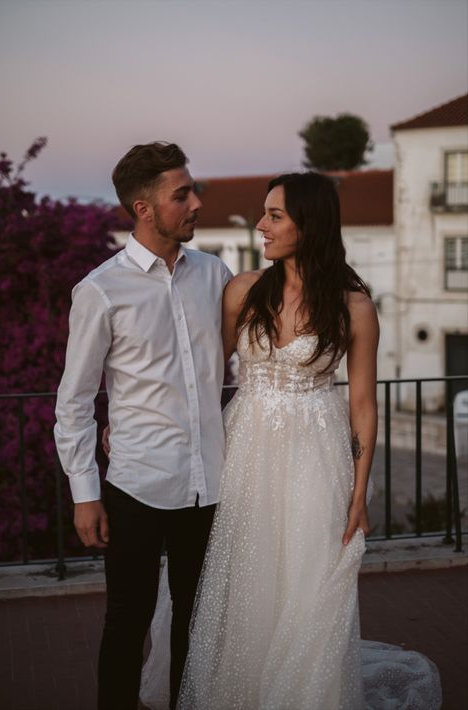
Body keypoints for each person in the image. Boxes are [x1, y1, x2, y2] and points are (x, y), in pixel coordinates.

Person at [140, 171, 441, 709]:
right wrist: (142, 420)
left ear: (311, 223)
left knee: (308, 588)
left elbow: (364, 406)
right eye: (264, 214)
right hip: (244, 451)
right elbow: (202, 380)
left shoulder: (355, 308)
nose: (261, 225)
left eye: (275, 215)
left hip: (317, 457)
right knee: (238, 585)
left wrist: (358, 494)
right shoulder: (243, 290)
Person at [54, 141, 232, 710]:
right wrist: (85, 494)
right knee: (126, 624)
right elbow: (75, 400)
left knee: (197, 626)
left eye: (192, 188)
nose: (196, 202)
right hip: (137, 484)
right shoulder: (101, 290)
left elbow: (234, 371)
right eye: (182, 194)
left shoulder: (216, 275)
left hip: (212, 485)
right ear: (144, 208)